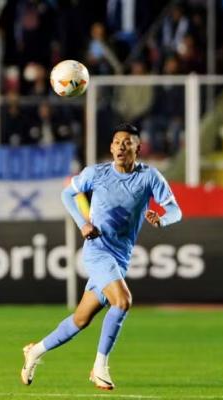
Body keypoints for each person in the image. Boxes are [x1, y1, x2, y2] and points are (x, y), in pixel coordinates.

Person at [20, 123, 182, 390]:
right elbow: (67, 194)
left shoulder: (150, 177)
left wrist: (162, 220)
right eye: (117, 142)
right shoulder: (96, 173)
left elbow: (175, 210)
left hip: (120, 257)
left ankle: (35, 351)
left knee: (81, 319)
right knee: (123, 301)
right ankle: (100, 367)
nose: (121, 146)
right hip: (97, 250)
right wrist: (83, 223)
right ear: (110, 147)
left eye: (127, 142)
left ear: (138, 148)